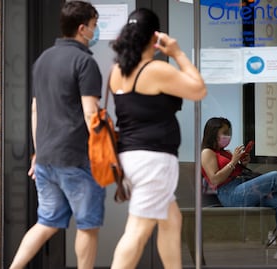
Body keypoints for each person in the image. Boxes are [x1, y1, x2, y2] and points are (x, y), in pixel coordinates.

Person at [9, 1, 105, 269]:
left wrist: (38, 153)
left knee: (46, 222)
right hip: (76, 157)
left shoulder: (43, 60)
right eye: (95, 26)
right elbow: (90, 114)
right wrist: (105, 152)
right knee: (88, 225)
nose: (96, 32)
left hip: (46, 158)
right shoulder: (84, 62)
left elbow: (35, 108)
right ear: (83, 28)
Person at [109, 8, 207, 269]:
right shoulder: (153, 70)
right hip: (153, 161)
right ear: (155, 37)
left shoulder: (117, 71)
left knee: (171, 220)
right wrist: (176, 53)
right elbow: (198, 89)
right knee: (137, 231)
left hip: (131, 157)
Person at [201, 117, 277, 264]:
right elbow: (215, 179)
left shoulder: (225, 152)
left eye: (229, 132)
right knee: (276, 177)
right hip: (229, 194)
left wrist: (241, 162)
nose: (228, 136)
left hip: (241, 188)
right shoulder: (207, 152)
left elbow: (233, 171)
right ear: (213, 133)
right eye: (224, 132)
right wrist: (234, 161)